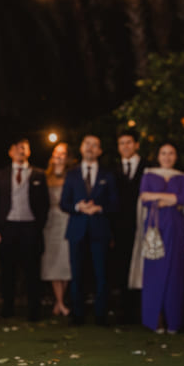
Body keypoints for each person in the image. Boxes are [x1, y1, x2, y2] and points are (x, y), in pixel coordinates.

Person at [60, 135, 119, 325]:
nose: (90, 148)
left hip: (99, 230)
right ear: (81, 148)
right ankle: (78, 314)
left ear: (100, 151)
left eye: (95, 145)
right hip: (76, 230)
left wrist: (99, 208)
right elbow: (64, 203)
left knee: (101, 274)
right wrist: (78, 207)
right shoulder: (72, 174)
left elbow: (115, 203)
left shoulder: (108, 174)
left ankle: (101, 315)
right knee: (77, 274)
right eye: (87, 144)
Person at [0, 138, 49, 320]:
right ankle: (7, 310)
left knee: (32, 272)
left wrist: (39, 227)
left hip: (30, 227)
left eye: (24, 148)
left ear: (29, 152)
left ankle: (34, 312)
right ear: (10, 152)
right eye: (17, 147)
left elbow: (45, 204)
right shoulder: (1, 174)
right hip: (8, 227)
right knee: (8, 272)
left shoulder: (38, 174)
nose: (20, 150)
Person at [136, 143, 184, 333]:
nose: (167, 157)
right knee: (154, 271)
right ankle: (155, 319)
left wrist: (159, 197)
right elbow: (144, 197)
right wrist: (169, 198)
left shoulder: (183, 177)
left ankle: (173, 320)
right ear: (158, 156)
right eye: (163, 153)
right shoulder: (149, 174)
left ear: (176, 156)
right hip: (154, 226)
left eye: (171, 153)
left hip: (176, 227)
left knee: (176, 272)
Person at [111, 130, 145, 323]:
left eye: (129, 142)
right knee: (122, 269)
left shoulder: (148, 168)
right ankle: (125, 312)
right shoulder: (112, 170)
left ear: (136, 145)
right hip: (120, 228)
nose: (125, 146)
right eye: (121, 143)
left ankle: (143, 310)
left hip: (143, 225)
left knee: (142, 268)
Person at [41, 142, 74, 316]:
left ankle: (60, 302)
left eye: (63, 153)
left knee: (66, 261)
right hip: (51, 222)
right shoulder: (46, 176)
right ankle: (59, 302)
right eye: (56, 152)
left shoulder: (72, 176)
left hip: (67, 219)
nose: (59, 156)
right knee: (53, 261)